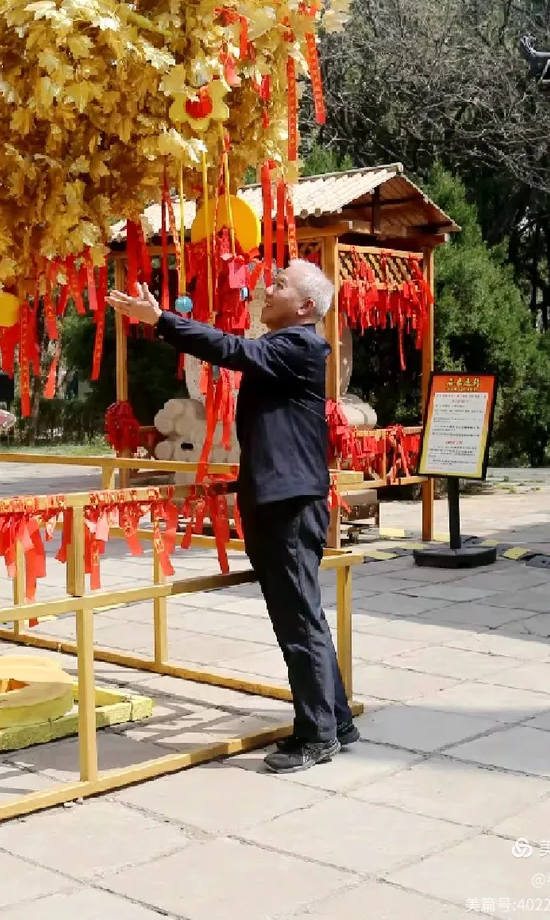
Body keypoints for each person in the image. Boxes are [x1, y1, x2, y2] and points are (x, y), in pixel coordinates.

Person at [107, 258, 359, 774]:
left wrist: (162, 320)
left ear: (305, 306)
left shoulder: (298, 345)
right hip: (283, 500)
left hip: (288, 505)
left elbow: (231, 349)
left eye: (280, 285)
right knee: (304, 615)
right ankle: (335, 719)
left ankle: (316, 736)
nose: (269, 289)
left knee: (299, 621)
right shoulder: (290, 346)